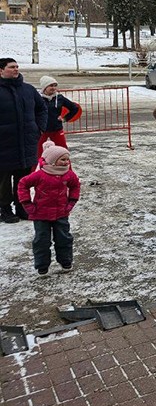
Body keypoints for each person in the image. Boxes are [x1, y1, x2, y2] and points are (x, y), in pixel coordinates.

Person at [18, 140, 80, 275]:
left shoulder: (68, 174)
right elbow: (23, 183)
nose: (66, 162)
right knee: (41, 240)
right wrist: (26, 203)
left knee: (64, 238)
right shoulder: (40, 175)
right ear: (52, 160)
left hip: (61, 212)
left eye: (67, 160)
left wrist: (71, 202)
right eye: (62, 159)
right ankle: (42, 265)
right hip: (40, 214)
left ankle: (66, 261)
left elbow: (75, 185)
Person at [0, 58, 47, 224]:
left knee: (23, 179)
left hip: (26, 143)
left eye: (17, 67)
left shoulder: (28, 89)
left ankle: (22, 208)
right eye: (11, 67)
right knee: (3, 180)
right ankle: (5, 210)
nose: (16, 69)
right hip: (4, 145)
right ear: (1, 71)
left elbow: (41, 109)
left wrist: (39, 128)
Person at [37, 76, 80, 156]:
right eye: (51, 86)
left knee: (63, 151)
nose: (53, 88)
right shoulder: (37, 98)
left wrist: (65, 118)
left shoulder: (59, 98)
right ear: (44, 87)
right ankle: (37, 168)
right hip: (41, 130)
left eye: (55, 85)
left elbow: (74, 108)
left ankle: (66, 168)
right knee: (38, 152)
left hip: (56, 129)